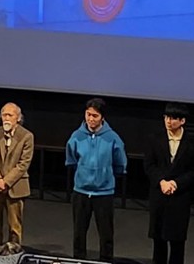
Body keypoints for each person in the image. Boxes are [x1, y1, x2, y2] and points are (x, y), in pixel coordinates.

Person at [65, 97, 127, 263]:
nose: (91, 119)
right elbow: (71, 160)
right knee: (79, 232)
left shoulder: (112, 138)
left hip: (104, 193)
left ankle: (105, 260)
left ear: (102, 117)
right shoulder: (76, 136)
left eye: (95, 116)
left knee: (106, 233)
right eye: (88, 114)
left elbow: (120, 164)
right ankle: (78, 260)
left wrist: (105, 177)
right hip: (81, 191)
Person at [143, 102, 194, 264]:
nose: (169, 121)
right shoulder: (154, 139)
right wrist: (161, 181)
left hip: (180, 198)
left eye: (174, 118)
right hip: (159, 195)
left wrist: (176, 183)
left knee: (177, 242)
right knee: (158, 241)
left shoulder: (193, 143)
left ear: (182, 121)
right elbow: (149, 165)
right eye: (167, 117)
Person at [0, 102, 34, 251]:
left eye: (9, 115)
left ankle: (13, 252)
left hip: (15, 187)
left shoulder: (26, 136)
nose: (6, 118)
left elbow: (23, 164)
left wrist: (6, 181)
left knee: (15, 226)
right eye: (4, 115)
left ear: (18, 118)